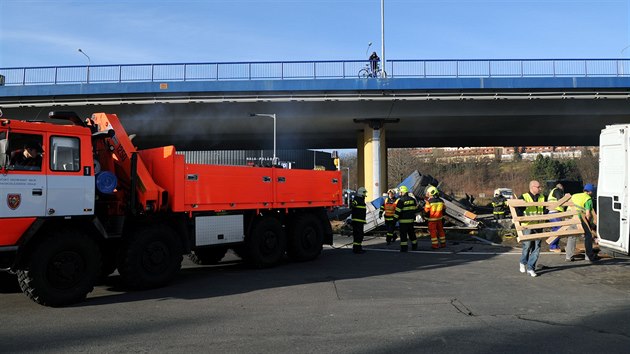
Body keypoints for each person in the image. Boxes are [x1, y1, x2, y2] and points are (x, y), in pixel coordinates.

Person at [516, 180, 546, 277]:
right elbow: (517, 210)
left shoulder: (542, 197)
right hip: (527, 225)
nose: (540, 188)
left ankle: (530, 268)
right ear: (532, 187)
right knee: (527, 245)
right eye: (538, 187)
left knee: (536, 247)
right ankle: (523, 261)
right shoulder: (524, 197)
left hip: (538, 225)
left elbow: (546, 208)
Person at [565, 184, 600, 262]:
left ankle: (568, 256)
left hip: (569, 217)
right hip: (579, 219)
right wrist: (588, 224)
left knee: (572, 236)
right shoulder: (588, 199)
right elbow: (587, 214)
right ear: (590, 192)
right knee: (588, 235)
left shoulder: (575, 195)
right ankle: (589, 256)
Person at [394, 185, 418, 252]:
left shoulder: (401, 201)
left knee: (403, 235)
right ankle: (414, 246)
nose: (399, 193)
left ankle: (404, 248)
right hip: (411, 221)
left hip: (403, 221)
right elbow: (415, 209)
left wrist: (394, 219)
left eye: (400, 192)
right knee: (412, 234)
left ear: (403, 192)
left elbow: (397, 211)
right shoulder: (413, 200)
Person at [547, 183, 566, 252]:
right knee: (559, 229)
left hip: (553, 212)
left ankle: (555, 246)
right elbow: (560, 200)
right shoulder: (557, 190)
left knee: (556, 229)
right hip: (554, 212)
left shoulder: (553, 191)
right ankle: (553, 246)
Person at [351, 187, 368, 254]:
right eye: (364, 193)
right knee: (358, 235)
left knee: (359, 235)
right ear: (361, 193)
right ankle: (357, 249)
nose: (365, 194)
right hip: (357, 221)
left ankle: (358, 248)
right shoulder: (357, 199)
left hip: (360, 221)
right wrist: (353, 203)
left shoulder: (361, 199)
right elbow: (353, 205)